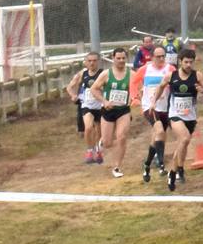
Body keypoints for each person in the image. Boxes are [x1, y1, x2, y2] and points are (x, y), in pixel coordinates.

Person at [150, 46, 202, 190]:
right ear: (180, 61)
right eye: (186, 62)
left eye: (191, 62)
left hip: (190, 116)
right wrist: (154, 101)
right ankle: (172, 172)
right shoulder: (171, 76)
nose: (189, 65)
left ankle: (180, 168)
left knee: (184, 143)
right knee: (184, 138)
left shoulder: (197, 76)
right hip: (174, 114)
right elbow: (160, 87)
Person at [94, 47, 134, 179]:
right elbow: (94, 89)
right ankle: (102, 142)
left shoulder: (131, 74)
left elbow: (138, 90)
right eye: (118, 58)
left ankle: (116, 167)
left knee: (121, 137)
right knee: (107, 143)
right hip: (108, 111)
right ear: (113, 58)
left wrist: (134, 98)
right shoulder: (106, 74)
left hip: (123, 110)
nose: (121, 60)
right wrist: (104, 101)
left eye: (123, 58)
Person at [135, 44, 171, 182]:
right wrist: (134, 97)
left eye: (163, 56)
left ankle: (147, 165)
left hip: (165, 107)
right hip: (150, 106)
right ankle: (162, 165)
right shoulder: (145, 69)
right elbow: (133, 82)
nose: (161, 59)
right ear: (152, 57)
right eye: (158, 56)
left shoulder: (170, 69)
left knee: (157, 137)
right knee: (160, 131)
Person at [72, 51, 104, 163]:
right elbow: (70, 86)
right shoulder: (83, 73)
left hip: (100, 106)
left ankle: (98, 150)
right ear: (85, 62)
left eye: (94, 61)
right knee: (89, 127)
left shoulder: (103, 73)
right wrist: (73, 95)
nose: (92, 63)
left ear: (99, 62)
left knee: (99, 131)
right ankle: (90, 151)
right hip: (87, 105)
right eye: (89, 61)